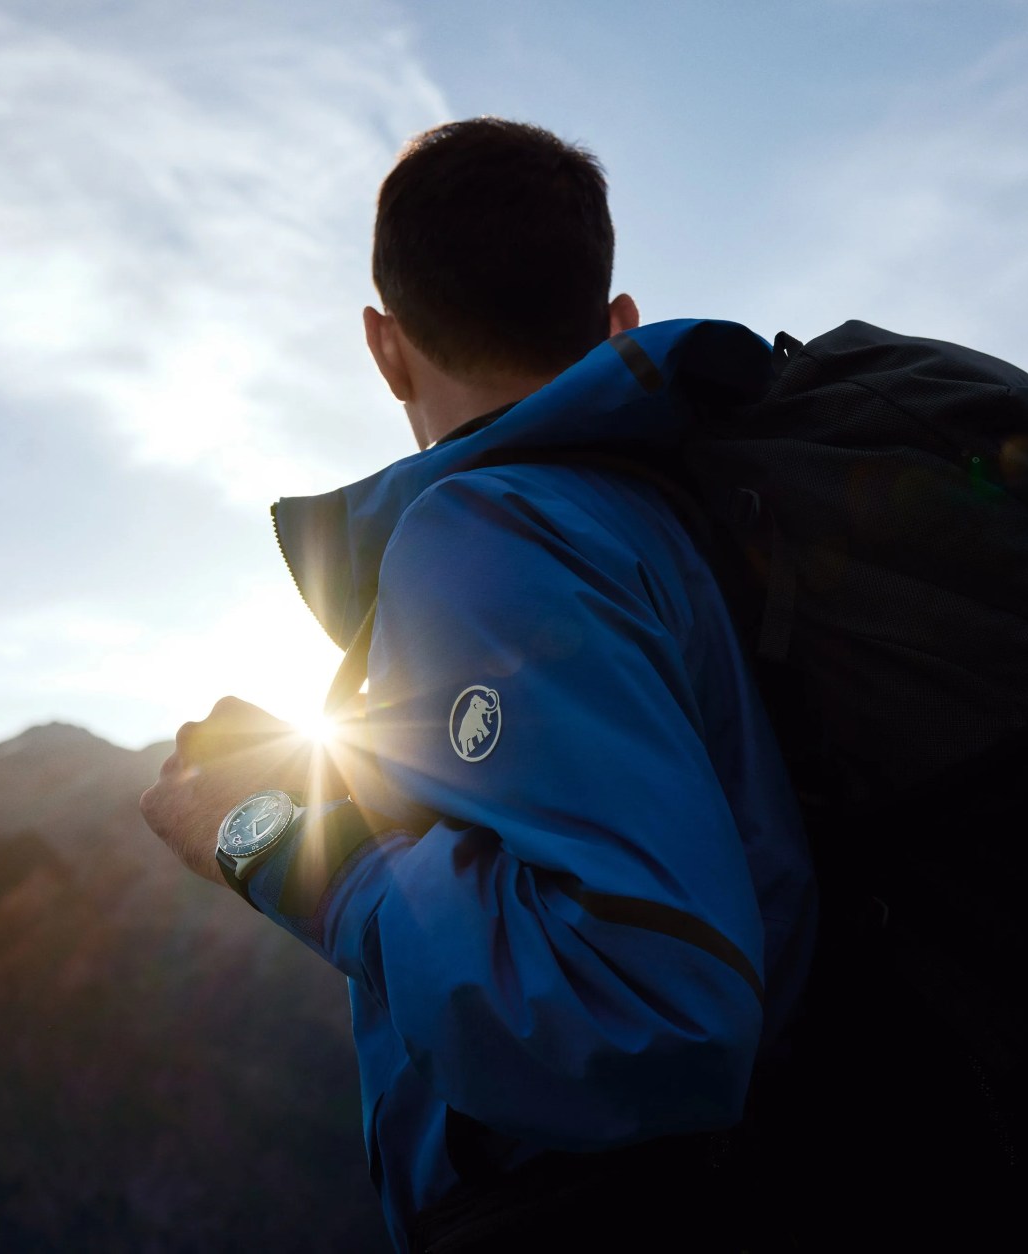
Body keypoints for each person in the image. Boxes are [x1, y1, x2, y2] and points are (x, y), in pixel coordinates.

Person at [139, 118, 817, 1253]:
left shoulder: (491, 534)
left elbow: (652, 1013)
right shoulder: (674, 524)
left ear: (384, 345)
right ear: (615, 328)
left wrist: (269, 837)